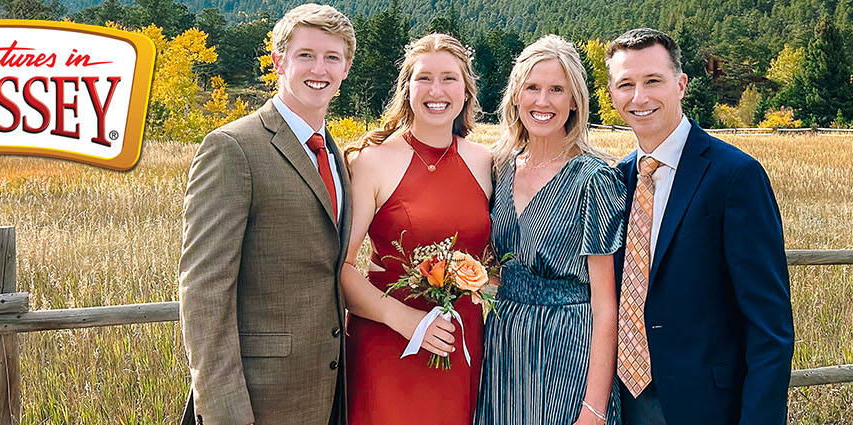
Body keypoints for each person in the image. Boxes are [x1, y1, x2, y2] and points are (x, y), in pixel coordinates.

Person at [603, 28, 795, 425]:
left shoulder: (735, 176)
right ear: (611, 94)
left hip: (707, 404)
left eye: (653, 80)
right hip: (623, 402)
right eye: (626, 84)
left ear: (681, 84)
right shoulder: (615, 181)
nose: (639, 97)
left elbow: (770, 328)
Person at [178, 4, 356, 425]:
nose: (320, 68)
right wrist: (223, 409)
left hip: (330, 389)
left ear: (346, 68)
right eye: (306, 55)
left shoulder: (337, 154)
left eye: (332, 57)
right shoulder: (232, 147)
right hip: (259, 396)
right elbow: (203, 289)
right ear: (278, 62)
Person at [336, 33, 492, 425]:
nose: (436, 91)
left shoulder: (487, 162)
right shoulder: (373, 161)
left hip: (459, 340)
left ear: (466, 90)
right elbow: (344, 267)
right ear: (406, 89)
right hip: (388, 344)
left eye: (449, 79)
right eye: (424, 78)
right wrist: (404, 320)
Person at [473, 35, 623, 425]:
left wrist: (594, 407)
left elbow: (606, 305)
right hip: (503, 350)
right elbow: (492, 271)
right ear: (516, 96)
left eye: (557, 89)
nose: (543, 101)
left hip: (567, 353)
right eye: (533, 88)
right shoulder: (500, 168)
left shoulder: (595, 178)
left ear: (574, 100)